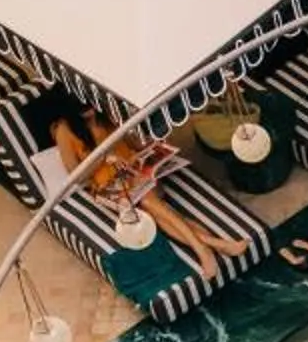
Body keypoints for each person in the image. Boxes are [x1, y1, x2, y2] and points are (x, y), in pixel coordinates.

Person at [22, 88, 252, 283]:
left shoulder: (104, 111)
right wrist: (104, 157)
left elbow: (132, 143)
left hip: (135, 172)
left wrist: (147, 148)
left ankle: (209, 249)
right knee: (154, 208)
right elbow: (76, 176)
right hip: (109, 186)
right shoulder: (63, 130)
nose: (92, 113)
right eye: (85, 112)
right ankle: (211, 246)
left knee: (151, 207)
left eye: (92, 106)